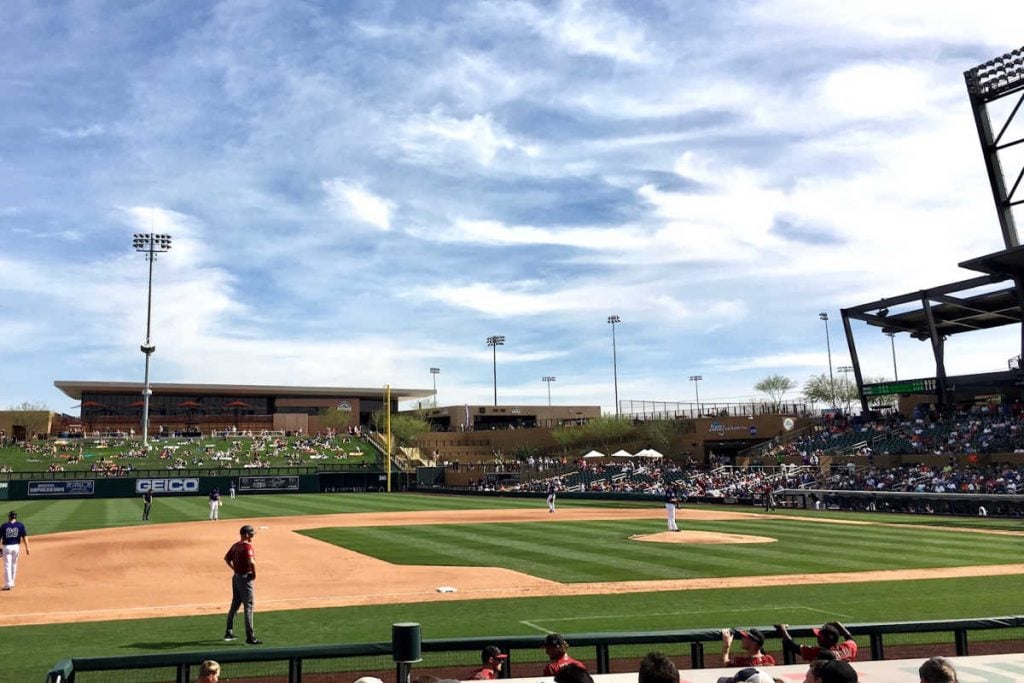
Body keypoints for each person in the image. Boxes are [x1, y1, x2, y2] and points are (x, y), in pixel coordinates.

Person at [224, 524, 261, 644]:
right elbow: (252, 562)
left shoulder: (235, 546)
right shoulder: (247, 547)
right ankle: (250, 636)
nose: (252, 536)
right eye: (251, 534)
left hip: (236, 577)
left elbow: (226, 558)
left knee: (235, 604)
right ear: (246, 534)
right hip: (245, 579)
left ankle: (229, 631)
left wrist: (234, 569)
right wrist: (254, 574)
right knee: (248, 607)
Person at [776, 622, 857, 662]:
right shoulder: (847, 648)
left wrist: (783, 629)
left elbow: (792, 645)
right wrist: (839, 625)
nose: (817, 638)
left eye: (819, 636)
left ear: (822, 640)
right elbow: (850, 638)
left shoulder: (819, 652)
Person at [1, 510, 30, 590]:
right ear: (15, 517)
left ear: (9, 517)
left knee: (7, 565)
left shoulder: (4, 526)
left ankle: (8, 584)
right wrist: (27, 547)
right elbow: (24, 537)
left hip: (7, 547)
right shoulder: (20, 525)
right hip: (16, 547)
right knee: (14, 564)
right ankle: (12, 582)